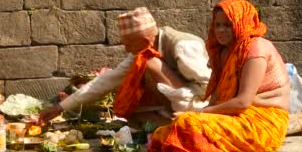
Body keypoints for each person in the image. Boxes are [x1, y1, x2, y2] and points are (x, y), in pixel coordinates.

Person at [147, 0, 290, 152]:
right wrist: (197, 117)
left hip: (264, 122)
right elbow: (216, 101)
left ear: (242, 23)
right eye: (217, 25)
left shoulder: (256, 48)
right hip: (237, 116)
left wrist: (198, 115)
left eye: (228, 25)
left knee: (186, 124)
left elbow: (242, 102)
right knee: (163, 134)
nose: (220, 31)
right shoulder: (222, 51)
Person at [39, 7, 211, 128]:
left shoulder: (183, 46)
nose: (126, 49)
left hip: (201, 105)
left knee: (152, 64)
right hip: (173, 101)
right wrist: (60, 107)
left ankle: (180, 124)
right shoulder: (144, 49)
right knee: (130, 110)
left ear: (145, 41)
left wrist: (199, 113)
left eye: (129, 44)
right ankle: (168, 123)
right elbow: (108, 80)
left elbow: (210, 86)